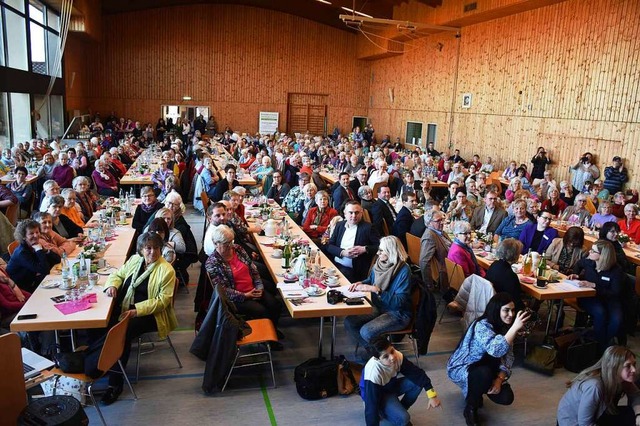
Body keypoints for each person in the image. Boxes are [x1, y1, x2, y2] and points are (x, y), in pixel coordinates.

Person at [101, 232, 177, 405]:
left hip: (150, 315)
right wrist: (112, 285)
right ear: (141, 250)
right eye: (148, 248)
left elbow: (162, 302)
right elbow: (118, 275)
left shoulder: (166, 270)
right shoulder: (135, 260)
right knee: (103, 325)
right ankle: (101, 363)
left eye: (156, 248)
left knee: (122, 334)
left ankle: (115, 383)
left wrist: (136, 311)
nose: (153, 252)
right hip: (125, 307)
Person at [447, 292, 530, 426]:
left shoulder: (505, 327)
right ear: (497, 310)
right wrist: (514, 328)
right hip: (464, 366)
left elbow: (509, 357)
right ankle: (470, 408)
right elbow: (495, 350)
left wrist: (499, 379)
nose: (511, 314)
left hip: (489, 368)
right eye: (506, 310)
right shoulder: (482, 325)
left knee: (506, 397)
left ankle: (477, 390)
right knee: (483, 374)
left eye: (513, 310)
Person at [205, 225, 282, 340]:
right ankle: (267, 339)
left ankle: (273, 330)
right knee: (261, 311)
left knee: (275, 304)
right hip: (236, 297)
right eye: (226, 243)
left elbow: (253, 269)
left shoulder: (238, 249)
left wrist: (259, 287)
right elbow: (223, 290)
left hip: (253, 289)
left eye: (231, 242)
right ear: (215, 243)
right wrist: (245, 295)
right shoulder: (212, 263)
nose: (230, 246)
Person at [344, 236, 412, 352]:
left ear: (391, 252)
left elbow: (399, 302)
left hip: (397, 313)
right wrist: (361, 283)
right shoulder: (380, 263)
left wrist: (377, 291)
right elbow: (371, 280)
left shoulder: (403, 271)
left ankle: (380, 355)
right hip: (379, 306)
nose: (378, 253)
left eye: (381, 250)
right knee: (349, 322)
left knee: (366, 331)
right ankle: (376, 353)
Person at [360, 337, 441, 426]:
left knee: (417, 383)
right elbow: (371, 405)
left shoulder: (397, 356)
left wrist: (432, 396)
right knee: (404, 418)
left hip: (390, 385)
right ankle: (388, 412)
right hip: (377, 395)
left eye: (392, 351)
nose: (392, 357)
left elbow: (418, 374)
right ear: (377, 359)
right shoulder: (373, 373)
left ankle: (397, 411)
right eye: (385, 357)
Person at [557, 345, 640, 426]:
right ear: (614, 367)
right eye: (628, 366)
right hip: (574, 422)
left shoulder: (622, 378)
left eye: (634, 364)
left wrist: (638, 415)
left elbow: (635, 395)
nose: (634, 369)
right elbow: (585, 423)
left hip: (600, 414)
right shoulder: (594, 386)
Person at [568, 240, 625, 353]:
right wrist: (576, 275)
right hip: (589, 297)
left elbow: (615, 292)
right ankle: (601, 348)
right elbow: (579, 264)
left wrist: (595, 285)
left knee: (616, 320)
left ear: (602, 256)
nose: (590, 252)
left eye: (593, 251)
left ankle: (603, 344)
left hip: (610, 300)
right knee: (600, 313)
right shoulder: (589, 262)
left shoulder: (616, 271)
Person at [326, 200, 380, 282]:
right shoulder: (339, 225)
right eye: (351, 213)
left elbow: (380, 247)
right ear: (345, 213)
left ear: (361, 213)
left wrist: (365, 249)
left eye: (357, 213)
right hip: (335, 265)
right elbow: (330, 246)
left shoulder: (368, 228)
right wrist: (343, 252)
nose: (354, 216)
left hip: (354, 270)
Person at [7, 220, 60, 293]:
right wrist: (39, 250)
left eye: (37, 232)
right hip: (23, 289)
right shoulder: (22, 253)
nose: (36, 235)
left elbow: (58, 260)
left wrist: (45, 251)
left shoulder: (33, 246)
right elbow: (45, 270)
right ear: (23, 237)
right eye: (31, 233)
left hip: (32, 280)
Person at [485, 239, 525, 312]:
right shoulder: (510, 275)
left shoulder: (494, 264)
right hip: (502, 309)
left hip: (489, 302)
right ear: (515, 255)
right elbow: (516, 300)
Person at [418, 210, 452, 290]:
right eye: (438, 221)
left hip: (452, 264)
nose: (442, 223)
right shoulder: (429, 237)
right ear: (429, 223)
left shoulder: (440, 231)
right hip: (448, 271)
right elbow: (423, 262)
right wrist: (429, 286)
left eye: (442, 219)